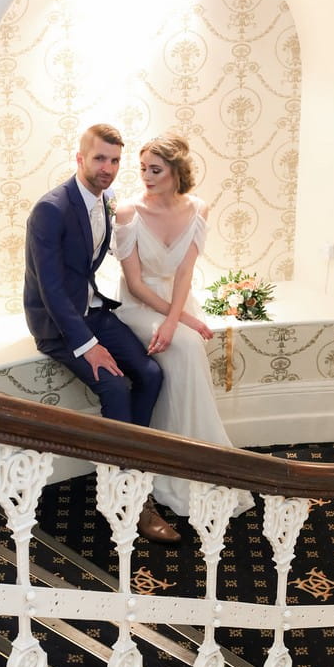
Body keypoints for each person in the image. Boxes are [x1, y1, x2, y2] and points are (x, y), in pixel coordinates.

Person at [23, 123, 180, 543]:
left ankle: (133, 468)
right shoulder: (51, 208)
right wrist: (88, 345)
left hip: (93, 308)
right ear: (80, 158)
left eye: (114, 160)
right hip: (60, 325)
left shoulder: (107, 201)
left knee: (150, 374)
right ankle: (126, 496)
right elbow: (51, 290)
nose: (107, 168)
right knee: (114, 387)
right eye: (99, 159)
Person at [113, 133, 254, 517]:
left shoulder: (197, 209)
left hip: (176, 304)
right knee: (189, 345)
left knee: (187, 347)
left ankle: (201, 462)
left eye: (155, 170)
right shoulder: (127, 213)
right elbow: (137, 285)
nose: (146, 176)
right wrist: (182, 321)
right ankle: (176, 464)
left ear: (177, 172)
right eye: (143, 168)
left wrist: (178, 319)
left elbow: (185, 273)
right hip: (138, 308)